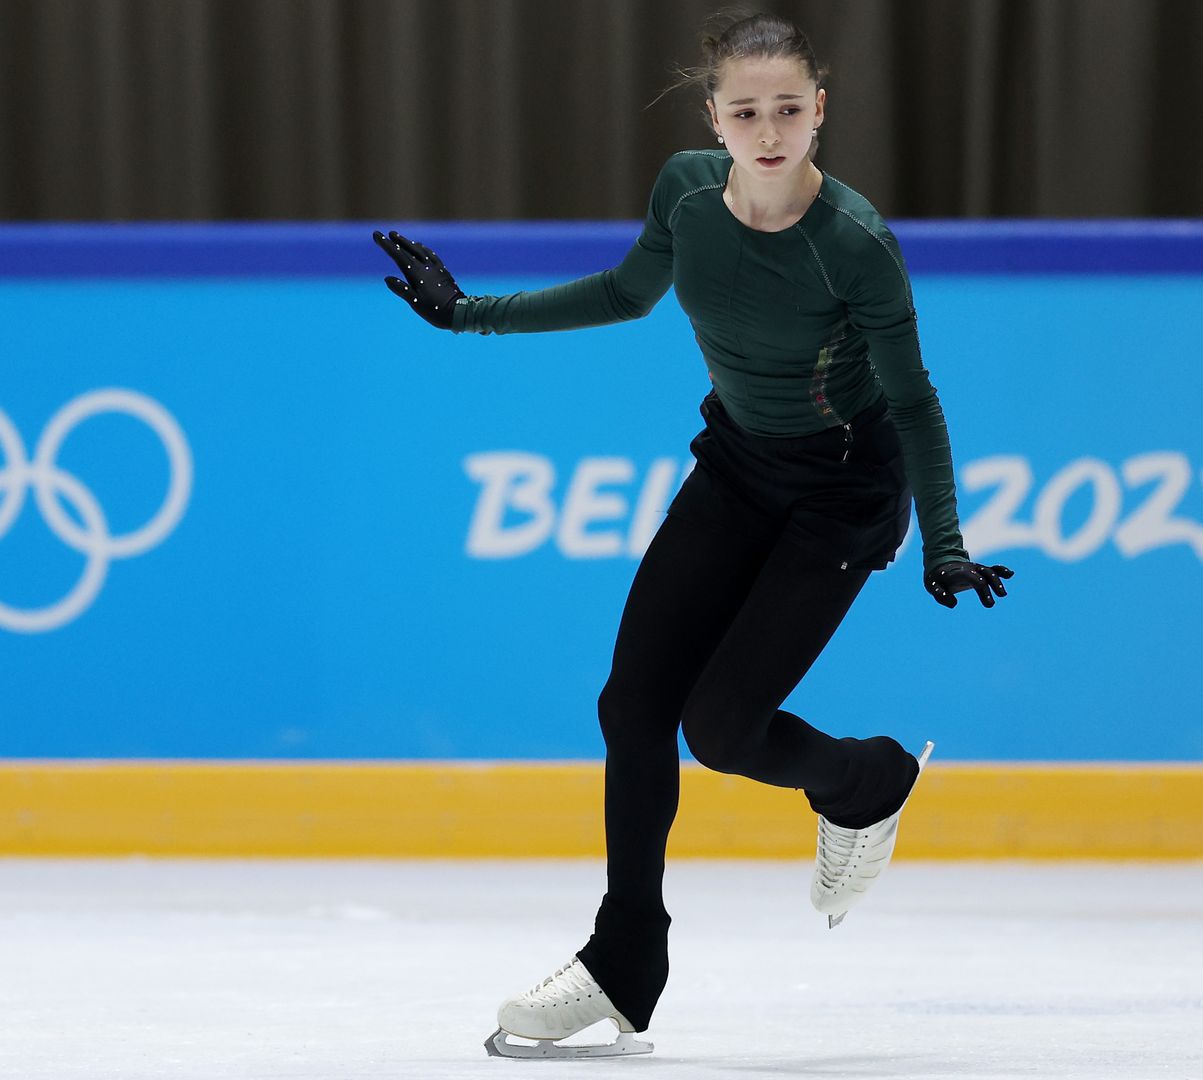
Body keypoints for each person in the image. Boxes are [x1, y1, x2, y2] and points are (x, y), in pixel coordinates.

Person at [373, 11, 1013, 1060]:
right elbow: (629, 293)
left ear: (820, 114)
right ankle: (623, 963)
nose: (769, 131)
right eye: (747, 111)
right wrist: (466, 315)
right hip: (740, 467)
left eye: (790, 110)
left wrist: (941, 540)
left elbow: (914, 402)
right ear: (716, 116)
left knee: (721, 730)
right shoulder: (684, 190)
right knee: (633, 705)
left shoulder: (854, 245)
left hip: (844, 491)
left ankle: (868, 783)